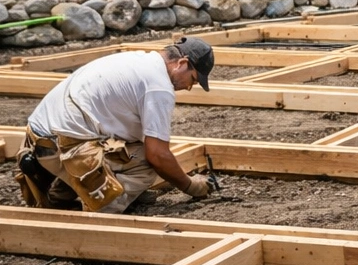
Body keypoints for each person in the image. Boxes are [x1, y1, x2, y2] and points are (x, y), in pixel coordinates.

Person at [16, 37, 217, 213]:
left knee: (129, 147)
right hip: (64, 147)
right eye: (192, 80)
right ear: (182, 63)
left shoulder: (136, 59)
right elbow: (158, 155)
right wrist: (191, 186)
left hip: (37, 140)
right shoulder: (159, 86)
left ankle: (60, 194)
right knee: (147, 163)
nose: (188, 87)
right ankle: (106, 205)